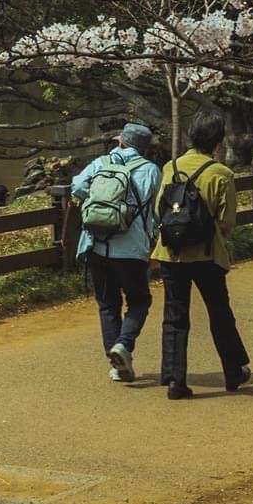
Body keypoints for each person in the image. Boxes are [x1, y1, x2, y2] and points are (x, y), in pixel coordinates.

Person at [151, 106, 251, 400]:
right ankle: (233, 372)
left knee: (174, 315)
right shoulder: (221, 173)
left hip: (172, 254)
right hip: (207, 255)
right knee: (219, 313)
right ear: (218, 142)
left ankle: (174, 379)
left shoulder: (171, 168)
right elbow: (228, 222)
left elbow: (160, 208)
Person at [69, 122, 162, 382]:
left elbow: (76, 187)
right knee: (139, 300)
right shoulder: (151, 170)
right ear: (145, 148)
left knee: (108, 304)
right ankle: (124, 344)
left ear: (121, 141)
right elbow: (155, 207)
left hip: (97, 245)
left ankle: (116, 361)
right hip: (132, 248)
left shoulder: (101, 163)